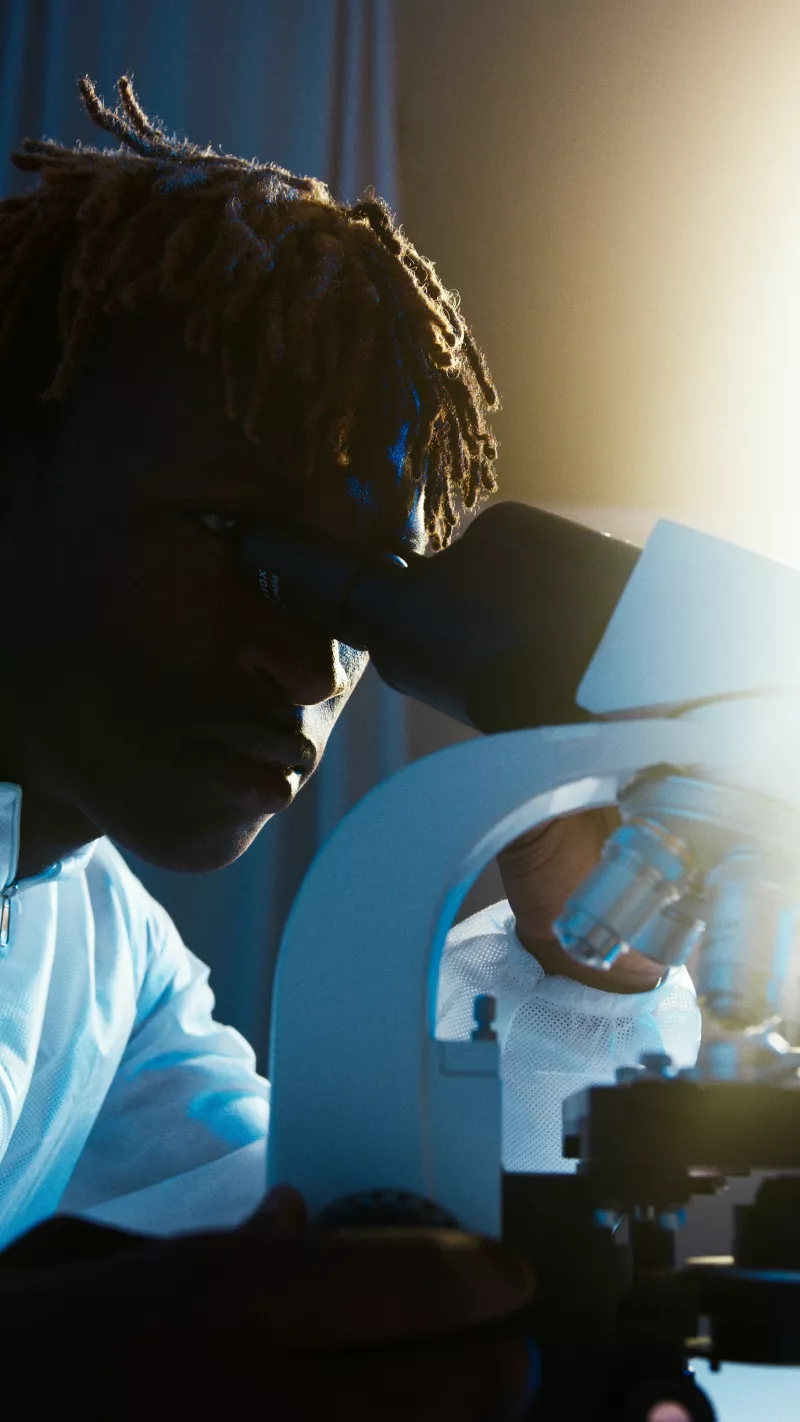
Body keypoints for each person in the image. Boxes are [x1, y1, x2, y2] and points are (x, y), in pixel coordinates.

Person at [0, 76, 698, 1413]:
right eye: (233, 539)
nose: (312, 662)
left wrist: (583, 964)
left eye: (361, 591)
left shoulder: (99, 945)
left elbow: (326, 1235)